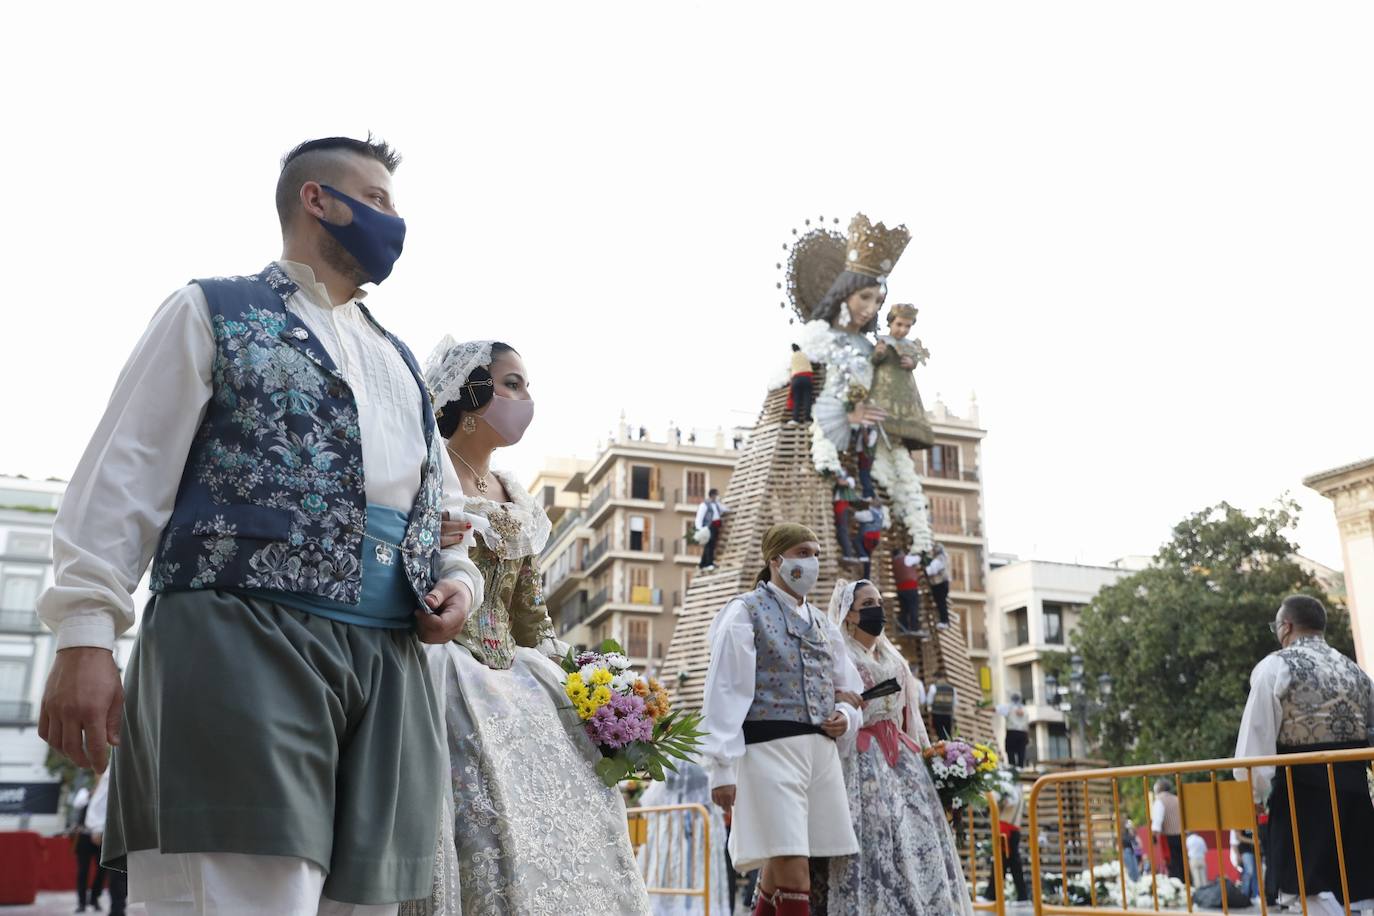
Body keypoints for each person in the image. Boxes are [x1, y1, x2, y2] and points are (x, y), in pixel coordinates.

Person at [36, 136, 484, 914]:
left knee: (367, 905)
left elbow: (446, 516)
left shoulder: (405, 364)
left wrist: (462, 586)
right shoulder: (210, 309)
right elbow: (123, 475)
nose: (394, 222)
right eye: (377, 200)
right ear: (317, 199)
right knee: (244, 895)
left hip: (389, 662)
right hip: (241, 638)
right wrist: (84, 635)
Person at [417, 339, 650, 915]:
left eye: (526, 386)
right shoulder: (426, 471)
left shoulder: (516, 496)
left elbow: (532, 614)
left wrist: (592, 686)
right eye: (512, 384)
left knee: (580, 796)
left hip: (517, 672)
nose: (526, 398)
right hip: (445, 665)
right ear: (469, 394)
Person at [702, 523, 864, 916]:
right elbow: (725, 690)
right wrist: (721, 768)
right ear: (775, 559)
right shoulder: (745, 611)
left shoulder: (825, 625)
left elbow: (851, 689)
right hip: (769, 752)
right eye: (803, 552)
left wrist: (845, 715)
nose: (812, 561)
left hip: (820, 757)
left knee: (783, 868)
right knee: (795, 870)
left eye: (816, 553)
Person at [823, 579, 972, 915]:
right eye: (868, 604)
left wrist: (931, 758)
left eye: (879, 601)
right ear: (849, 615)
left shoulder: (893, 657)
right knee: (872, 839)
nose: (877, 609)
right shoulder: (841, 656)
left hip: (903, 759)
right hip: (861, 757)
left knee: (916, 838)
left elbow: (912, 717)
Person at [1233, 595, 1374, 913]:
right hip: (1354, 788)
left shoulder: (1276, 666)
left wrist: (1253, 791)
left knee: (1308, 888)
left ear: (1286, 626)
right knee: (1355, 885)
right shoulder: (1353, 669)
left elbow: (1257, 735)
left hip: (1302, 791)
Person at [868, 304, 934, 450]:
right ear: (890, 322)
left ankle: (900, 447)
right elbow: (873, 362)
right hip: (885, 386)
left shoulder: (911, 345)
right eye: (899, 324)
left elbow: (917, 359)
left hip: (906, 388)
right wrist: (878, 354)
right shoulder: (883, 340)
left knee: (904, 425)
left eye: (907, 326)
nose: (903, 329)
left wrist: (912, 362)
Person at [84, 772, 128, 916]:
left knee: (121, 873)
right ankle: (117, 909)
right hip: (116, 829)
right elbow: (99, 802)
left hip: (131, 826)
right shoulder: (111, 772)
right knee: (117, 872)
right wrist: (97, 827)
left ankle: (117, 907)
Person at [982, 776, 1029, 904]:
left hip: (1007, 829)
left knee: (1003, 862)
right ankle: (1019, 895)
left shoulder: (1010, 788)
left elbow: (1008, 802)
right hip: (1010, 829)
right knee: (1009, 863)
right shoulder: (1016, 788)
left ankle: (993, 895)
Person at [70, 778, 106, 913]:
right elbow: (78, 804)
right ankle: (81, 903)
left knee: (102, 870)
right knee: (83, 872)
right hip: (84, 836)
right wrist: (92, 793)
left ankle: (95, 898)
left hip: (101, 836)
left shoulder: (106, 793)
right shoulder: (84, 792)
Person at [1151, 779, 1185, 881]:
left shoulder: (1159, 801)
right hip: (1182, 836)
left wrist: (1154, 836)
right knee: (1183, 865)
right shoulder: (1177, 799)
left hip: (1168, 838)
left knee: (1172, 866)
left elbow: (1157, 822)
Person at [891, 551, 924, 637]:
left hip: (900, 589)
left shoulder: (894, 562)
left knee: (904, 610)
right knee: (913, 608)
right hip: (910, 587)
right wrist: (919, 554)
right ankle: (914, 628)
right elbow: (918, 559)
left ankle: (903, 628)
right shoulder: (906, 558)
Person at [995, 693, 1031, 768]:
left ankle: (1012, 769)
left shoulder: (1008, 707)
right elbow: (1027, 725)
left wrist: (981, 709)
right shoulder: (1025, 710)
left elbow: (996, 709)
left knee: (1010, 752)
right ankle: (1020, 769)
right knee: (1021, 753)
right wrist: (1027, 737)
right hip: (1023, 734)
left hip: (1012, 733)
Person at [697, 488, 729, 571]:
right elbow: (699, 518)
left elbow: (723, 509)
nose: (717, 496)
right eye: (716, 494)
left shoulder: (716, 504)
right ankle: (708, 563)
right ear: (713, 495)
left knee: (712, 544)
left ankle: (703, 563)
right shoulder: (704, 505)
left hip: (715, 526)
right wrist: (700, 529)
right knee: (709, 545)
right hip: (708, 527)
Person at [787, 344, 815, 425]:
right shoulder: (805, 354)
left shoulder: (792, 357)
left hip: (796, 379)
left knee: (797, 400)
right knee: (807, 398)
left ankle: (795, 419)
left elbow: (789, 368)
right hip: (806, 377)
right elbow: (814, 359)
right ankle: (807, 419)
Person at [925, 544, 951, 629]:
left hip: (939, 584)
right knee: (941, 603)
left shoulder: (939, 559)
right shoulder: (944, 557)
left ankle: (944, 621)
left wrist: (925, 566)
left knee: (941, 603)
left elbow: (930, 571)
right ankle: (944, 621)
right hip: (943, 583)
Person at [927, 669, 957, 740]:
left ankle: (941, 748)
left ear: (936, 678)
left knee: (939, 733)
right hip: (948, 714)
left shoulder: (933, 687)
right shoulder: (952, 688)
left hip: (937, 714)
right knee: (948, 734)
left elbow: (929, 701)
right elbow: (955, 703)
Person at [1230, 828, 1258, 902]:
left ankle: (1255, 895)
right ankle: (1244, 895)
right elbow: (1236, 838)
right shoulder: (1240, 822)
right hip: (1245, 850)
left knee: (1254, 874)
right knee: (1249, 872)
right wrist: (1253, 841)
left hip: (1254, 850)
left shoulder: (1252, 822)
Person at [1121, 818, 1141, 882]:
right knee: (1131, 868)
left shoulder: (1133, 834)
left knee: (1135, 867)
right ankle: (1133, 881)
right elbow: (1125, 842)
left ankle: (1136, 881)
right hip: (1128, 851)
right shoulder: (1125, 834)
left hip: (1133, 852)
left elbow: (1138, 844)